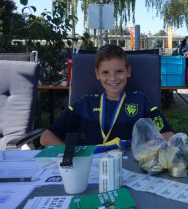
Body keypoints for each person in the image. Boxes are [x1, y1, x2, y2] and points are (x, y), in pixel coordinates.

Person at [40, 44, 174, 146]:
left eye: (119, 71)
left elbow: (168, 134)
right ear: (97, 74)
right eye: (105, 72)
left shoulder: (141, 101)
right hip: (91, 170)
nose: (113, 78)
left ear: (128, 71)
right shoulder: (84, 104)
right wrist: (71, 155)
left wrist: (150, 150)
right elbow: (46, 137)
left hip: (131, 168)